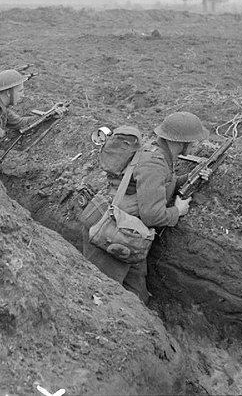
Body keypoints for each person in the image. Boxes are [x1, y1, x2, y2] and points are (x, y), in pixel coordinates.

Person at [82, 111, 210, 305]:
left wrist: (192, 178)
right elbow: (152, 216)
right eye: (191, 141)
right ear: (180, 142)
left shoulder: (156, 152)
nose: (194, 145)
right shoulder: (155, 164)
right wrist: (178, 211)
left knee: (136, 296)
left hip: (128, 233)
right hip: (112, 235)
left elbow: (162, 185)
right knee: (102, 298)